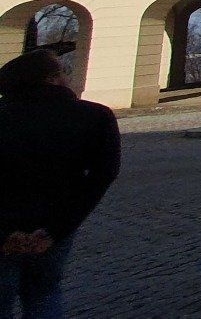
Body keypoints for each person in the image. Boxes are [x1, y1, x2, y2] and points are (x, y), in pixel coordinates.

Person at [0, 48, 121, 319]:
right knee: (44, 295)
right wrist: (57, 230)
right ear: (52, 78)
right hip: (55, 225)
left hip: (4, 227)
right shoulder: (95, 116)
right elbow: (103, 174)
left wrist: (6, 232)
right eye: (63, 71)